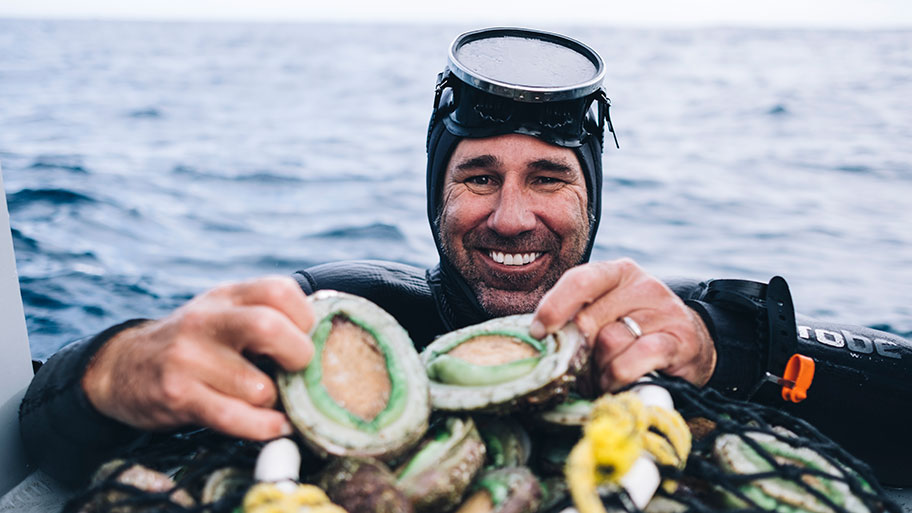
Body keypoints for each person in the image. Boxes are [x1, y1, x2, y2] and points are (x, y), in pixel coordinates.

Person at [19, 27, 911, 488]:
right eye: (478, 175)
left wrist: (737, 349)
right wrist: (115, 366)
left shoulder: (664, 340)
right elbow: (45, 430)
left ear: (591, 200)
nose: (512, 216)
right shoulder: (341, 324)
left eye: (550, 178)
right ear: (436, 195)